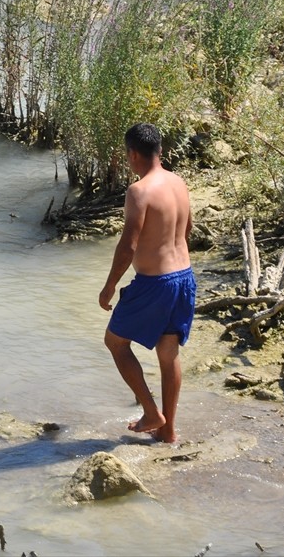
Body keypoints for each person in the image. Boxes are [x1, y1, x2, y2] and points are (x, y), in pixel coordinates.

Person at [98, 123, 196, 444]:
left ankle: (152, 412)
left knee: (115, 342)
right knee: (168, 354)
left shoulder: (138, 192)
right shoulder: (178, 183)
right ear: (161, 152)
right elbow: (188, 229)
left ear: (133, 154)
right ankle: (167, 432)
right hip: (184, 278)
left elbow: (128, 245)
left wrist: (110, 285)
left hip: (155, 284)